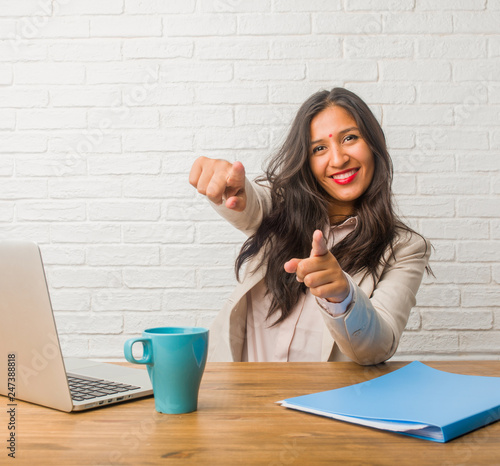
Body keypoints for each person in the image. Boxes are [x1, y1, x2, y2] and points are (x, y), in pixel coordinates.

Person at [189, 87, 431, 365]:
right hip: (240, 398)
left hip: (323, 403)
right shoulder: (279, 208)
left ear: (374, 145)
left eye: (350, 138)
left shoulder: (406, 249)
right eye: (319, 148)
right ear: (306, 161)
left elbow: (377, 347)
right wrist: (230, 187)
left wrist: (343, 295)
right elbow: (251, 204)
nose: (338, 159)